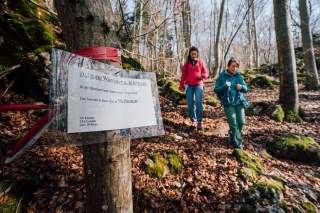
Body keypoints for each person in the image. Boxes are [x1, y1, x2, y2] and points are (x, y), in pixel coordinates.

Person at [214, 58, 248, 149]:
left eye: (236, 67)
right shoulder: (222, 76)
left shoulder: (238, 76)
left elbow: (246, 88)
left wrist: (241, 87)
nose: (235, 68)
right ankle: (238, 144)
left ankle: (232, 136)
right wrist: (225, 86)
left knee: (241, 122)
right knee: (233, 123)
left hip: (239, 102)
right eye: (233, 66)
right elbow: (216, 90)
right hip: (228, 103)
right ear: (228, 66)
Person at [179, 46, 208, 130]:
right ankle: (193, 120)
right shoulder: (186, 64)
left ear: (197, 54)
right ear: (190, 54)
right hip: (189, 86)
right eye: (192, 54)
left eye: (195, 53)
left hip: (199, 85)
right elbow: (183, 75)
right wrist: (181, 85)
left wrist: (201, 76)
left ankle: (199, 122)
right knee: (190, 104)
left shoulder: (201, 62)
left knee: (198, 103)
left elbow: (206, 74)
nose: (194, 55)